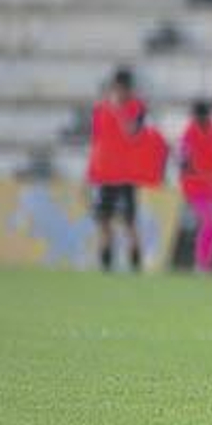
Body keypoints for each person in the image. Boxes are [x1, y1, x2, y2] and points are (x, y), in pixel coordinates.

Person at [86, 67, 145, 272]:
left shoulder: (136, 107)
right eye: (118, 88)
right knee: (103, 219)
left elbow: (133, 133)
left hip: (127, 174)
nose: (120, 92)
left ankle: (135, 262)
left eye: (123, 88)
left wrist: (119, 110)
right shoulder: (100, 109)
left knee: (129, 220)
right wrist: (91, 170)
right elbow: (97, 141)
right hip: (104, 173)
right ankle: (106, 260)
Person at [178, 100, 212, 272]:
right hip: (195, 186)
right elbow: (183, 162)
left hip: (210, 186)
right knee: (211, 225)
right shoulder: (189, 133)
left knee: (207, 226)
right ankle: (202, 264)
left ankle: (203, 263)